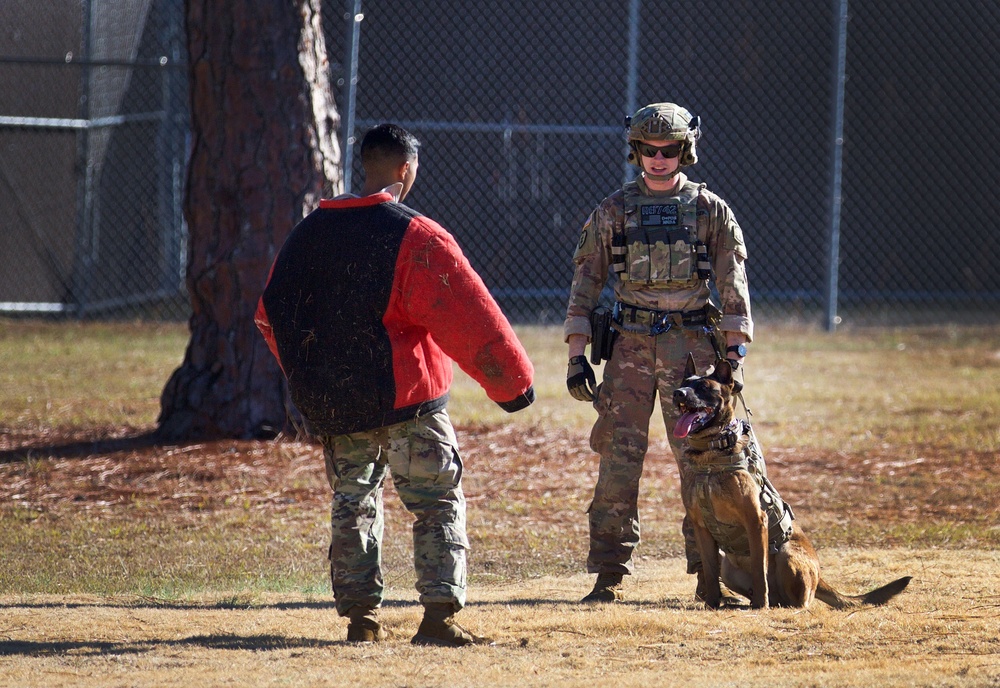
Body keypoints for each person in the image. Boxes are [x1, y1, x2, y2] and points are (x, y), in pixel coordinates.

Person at [255, 123, 535, 645]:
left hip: (339, 404)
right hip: (410, 402)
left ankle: (361, 620)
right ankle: (438, 618)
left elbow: (269, 317)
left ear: (364, 165)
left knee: (353, 504)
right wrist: (513, 385)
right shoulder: (416, 235)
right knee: (436, 504)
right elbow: (469, 315)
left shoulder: (307, 234)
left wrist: (310, 375)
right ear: (406, 169)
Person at [564, 103, 754, 603]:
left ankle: (708, 575)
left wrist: (733, 357)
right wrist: (577, 355)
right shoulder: (613, 210)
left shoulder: (710, 209)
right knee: (618, 460)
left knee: (702, 462)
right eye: (649, 150)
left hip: (692, 351)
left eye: (669, 150)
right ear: (637, 151)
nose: (659, 159)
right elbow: (586, 284)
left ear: (684, 151)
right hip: (628, 348)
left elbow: (734, 286)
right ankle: (608, 574)